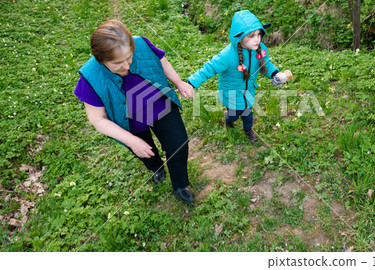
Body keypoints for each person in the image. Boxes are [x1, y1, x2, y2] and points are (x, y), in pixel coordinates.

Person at [74, 20, 195, 203]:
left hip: (160, 106)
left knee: (178, 144)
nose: (127, 66)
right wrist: (131, 141)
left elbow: (163, 62)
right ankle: (157, 168)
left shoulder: (142, 43)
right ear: (101, 60)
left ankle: (179, 185)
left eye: (129, 58)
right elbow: (97, 119)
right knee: (146, 152)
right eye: (117, 63)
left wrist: (179, 82)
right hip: (130, 120)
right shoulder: (90, 77)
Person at [187, 10, 291, 141]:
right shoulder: (227, 55)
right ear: (239, 37)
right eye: (252, 36)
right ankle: (228, 119)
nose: (257, 39)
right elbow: (209, 68)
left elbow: (266, 66)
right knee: (233, 115)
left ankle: (248, 130)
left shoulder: (260, 48)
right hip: (231, 93)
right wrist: (192, 83)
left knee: (248, 115)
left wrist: (276, 74)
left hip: (248, 91)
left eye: (259, 34)